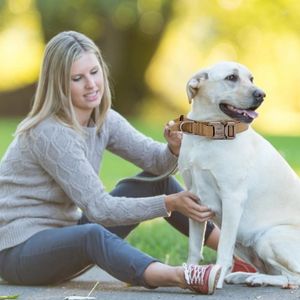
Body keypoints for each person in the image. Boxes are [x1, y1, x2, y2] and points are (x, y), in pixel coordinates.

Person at [0, 31, 253, 295]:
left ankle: (240, 256)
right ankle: (182, 276)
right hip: (18, 252)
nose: (91, 84)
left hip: (64, 239)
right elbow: (99, 208)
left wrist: (173, 149)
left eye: (94, 72)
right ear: (59, 84)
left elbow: (157, 163)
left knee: (158, 182)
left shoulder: (103, 119)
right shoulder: (50, 133)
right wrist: (167, 204)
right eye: (78, 78)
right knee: (93, 235)